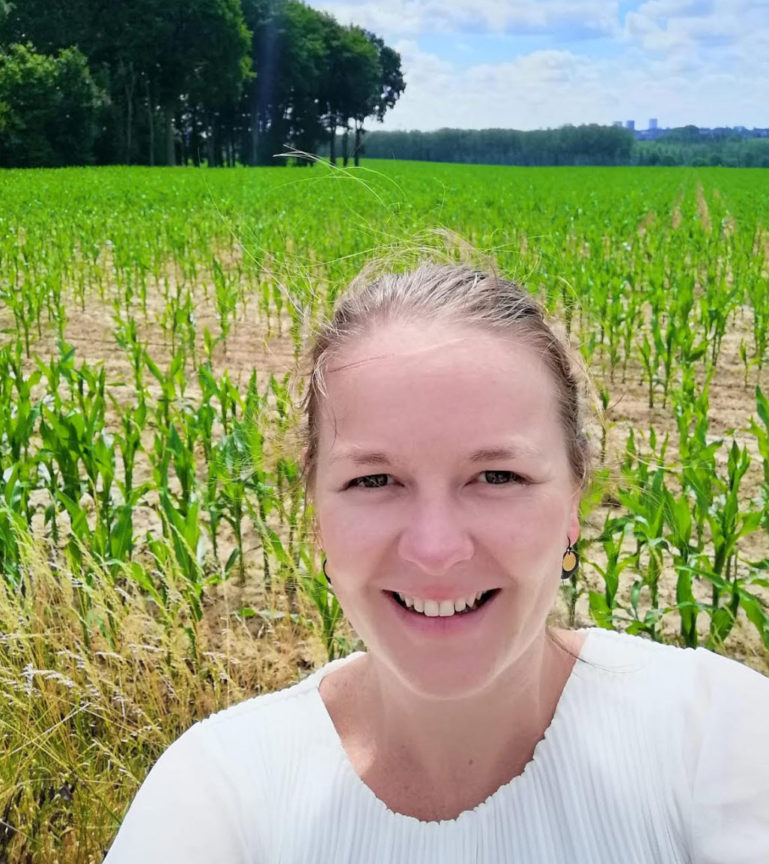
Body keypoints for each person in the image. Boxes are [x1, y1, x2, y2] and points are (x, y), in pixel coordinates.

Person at [105, 263, 769, 863]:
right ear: (315, 514)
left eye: (496, 476)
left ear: (575, 498)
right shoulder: (223, 790)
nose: (434, 548)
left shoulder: (717, 737)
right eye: (373, 482)